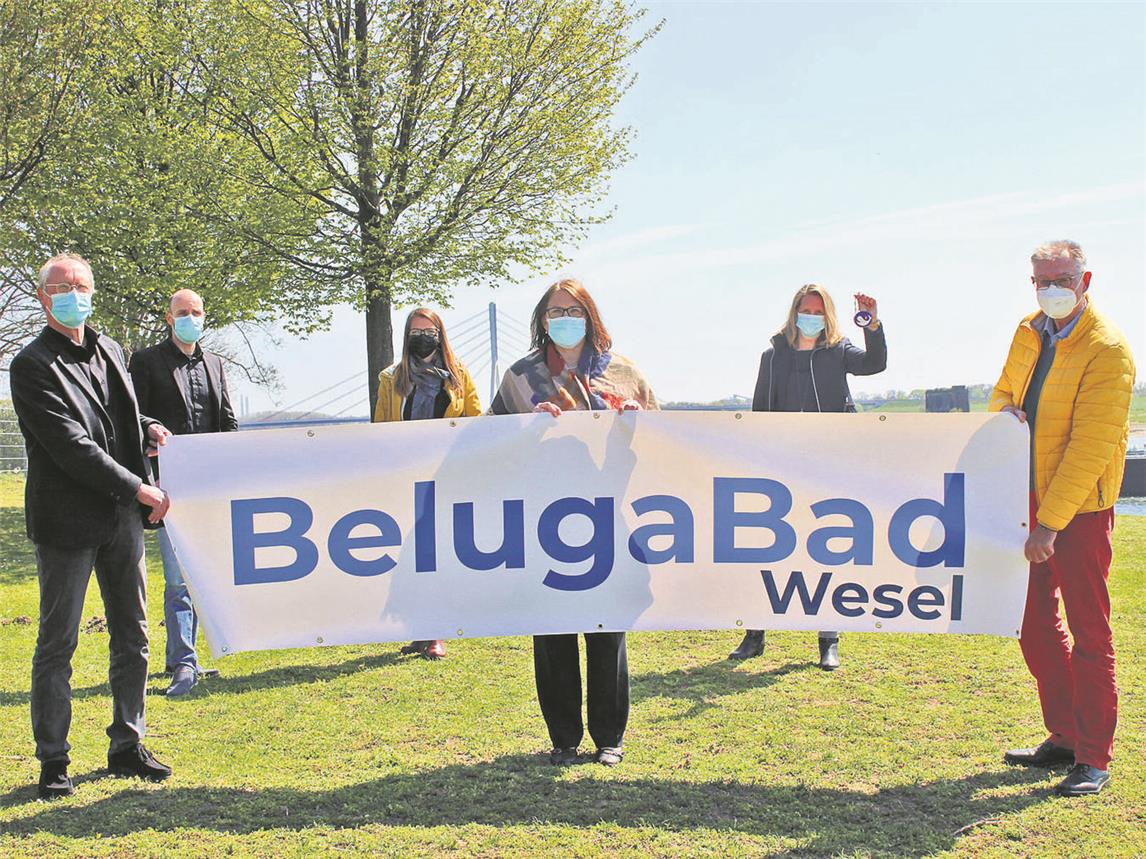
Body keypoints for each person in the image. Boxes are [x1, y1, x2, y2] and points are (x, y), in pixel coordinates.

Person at [10, 253, 174, 799]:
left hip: (121, 519)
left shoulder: (109, 349)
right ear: (43, 297)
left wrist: (148, 427)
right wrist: (138, 486)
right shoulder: (31, 365)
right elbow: (71, 447)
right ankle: (53, 758)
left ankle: (128, 742)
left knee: (134, 634)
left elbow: (118, 418)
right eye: (62, 286)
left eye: (81, 285)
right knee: (58, 644)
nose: (73, 294)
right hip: (68, 521)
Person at [490, 278, 657, 767]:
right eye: (554, 311)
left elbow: (663, 436)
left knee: (607, 629)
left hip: (610, 518)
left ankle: (610, 736)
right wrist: (526, 428)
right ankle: (563, 737)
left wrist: (633, 419)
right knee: (553, 630)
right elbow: (489, 441)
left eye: (573, 309)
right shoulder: (520, 377)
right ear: (542, 320)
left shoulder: (625, 372)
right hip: (545, 522)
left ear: (590, 315)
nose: (564, 318)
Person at [992, 240, 1134, 797]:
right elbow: (1003, 391)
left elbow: (1090, 447)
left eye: (1060, 278)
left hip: (1079, 510)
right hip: (1024, 497)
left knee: (1089, 633)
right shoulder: (1029, 330)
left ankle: (1094, 756)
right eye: (1041, 280)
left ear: (1085, 278)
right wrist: (1004, 413)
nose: (1051, 289)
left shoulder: (1108, 349)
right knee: (1031, 624)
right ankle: (1065, 734)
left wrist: (1049, 525)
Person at [730, 284, 887, 669]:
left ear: (828, 314)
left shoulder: (838, 351)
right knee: (768, 550)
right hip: (780, 470)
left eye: (819, 310)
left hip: (829, 468)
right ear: (795, 312)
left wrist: (873, 324)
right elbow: (759, 411)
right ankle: (755, 633)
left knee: (826, 552)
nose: (811, 316)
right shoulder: (773, 356)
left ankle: (828, 638)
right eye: (806, 309)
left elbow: (875, 363)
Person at [129, 289, 238, 696]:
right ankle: (185, 665)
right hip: (167, 485)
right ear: (169, 317)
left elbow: (227, 421)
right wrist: (148, 428)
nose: (190, 317)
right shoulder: (146, 361)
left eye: (196, 311)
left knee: (199, 575)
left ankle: (181, 655)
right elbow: (129, 411)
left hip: (208, 486)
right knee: (177, 578)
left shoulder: (214, 363)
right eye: (182, 312)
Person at [374, 307, 482, 659]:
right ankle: (419, 629)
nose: (423, 336)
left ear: (440, 333)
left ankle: (436, 630)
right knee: (411, 559)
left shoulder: (459, 375)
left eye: (429, 329)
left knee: (436, 553)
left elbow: (476, 424)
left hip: (446, 475)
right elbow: (380, 429)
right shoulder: (391, 378)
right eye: (416, 330)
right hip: (406, 476)